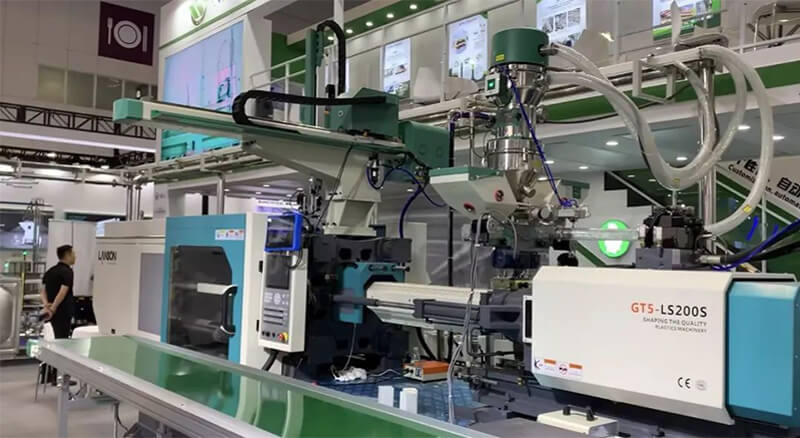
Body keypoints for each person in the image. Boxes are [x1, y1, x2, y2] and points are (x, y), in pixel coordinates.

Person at [41, 245, 76, 339]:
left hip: (50, 311)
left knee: (53, 335)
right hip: (62, 311)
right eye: (73, 254)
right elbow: (63, 291)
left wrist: (46, 305)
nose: (75, 256)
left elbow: (43, 290)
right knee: (62, 338)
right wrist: (53, 308)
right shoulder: (67, 271)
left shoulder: (50, 271)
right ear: (67, 255)